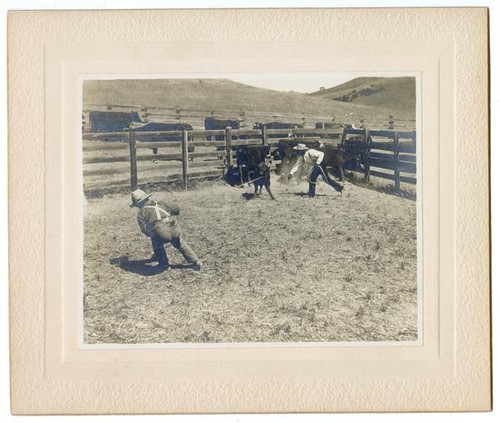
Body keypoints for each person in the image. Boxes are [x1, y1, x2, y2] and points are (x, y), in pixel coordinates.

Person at [130, 189, 202, 270]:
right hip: (173, 226)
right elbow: (176, 208)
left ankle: (163, 264)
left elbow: (144, 228)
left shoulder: (141, 213)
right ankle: (195, 261)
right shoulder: (160, 203)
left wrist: (152, 234)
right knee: (180, 243)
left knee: (157, 244)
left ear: (139, 204)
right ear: (147, 198)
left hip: (161, 232)